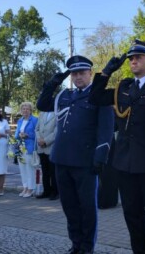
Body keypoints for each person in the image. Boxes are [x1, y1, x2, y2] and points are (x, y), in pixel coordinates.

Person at [89, 40, 145, 253]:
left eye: (138, 57)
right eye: (131, 58)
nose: (133, 61)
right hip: (125, 163)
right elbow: (95, 97)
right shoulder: (124, 87)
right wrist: (107, 71)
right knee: (132, 214)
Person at [37, 55, 114, 254]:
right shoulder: (64, 96)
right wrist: (53, 82)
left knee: (87, 208)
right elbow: (42, 104)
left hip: (85, 162)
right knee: (69, 207)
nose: (78, 77)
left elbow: (106, 129)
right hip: (61, 159)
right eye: (74, 74)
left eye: (82, 73)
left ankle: (87, 248)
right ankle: (76, 244)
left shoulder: (99, 96)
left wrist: (100, 156)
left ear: (90, 73)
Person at [14, 102, 38, 198]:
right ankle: (25, 187)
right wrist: (18, 136)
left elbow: (37, 134)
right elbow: (16, 134)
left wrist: (28, 135)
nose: (25, 110)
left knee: (30, 169)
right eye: (23, 109)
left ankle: (31, 188)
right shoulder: (20, 120)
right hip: (20, 148)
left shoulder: (35, 120)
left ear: (30, 110)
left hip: (30, 147)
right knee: (22, 169)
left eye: (27, 109)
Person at [35, 110, 58, 200]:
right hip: (41, 147)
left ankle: (55, 192)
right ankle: (46, 191)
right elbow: (36, 129)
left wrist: (46, 141)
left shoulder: (57, 113)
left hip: (51, 147)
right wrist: (39, 139)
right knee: (45, 172)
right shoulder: (41, 113)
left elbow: (57, 131)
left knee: (53, 172)